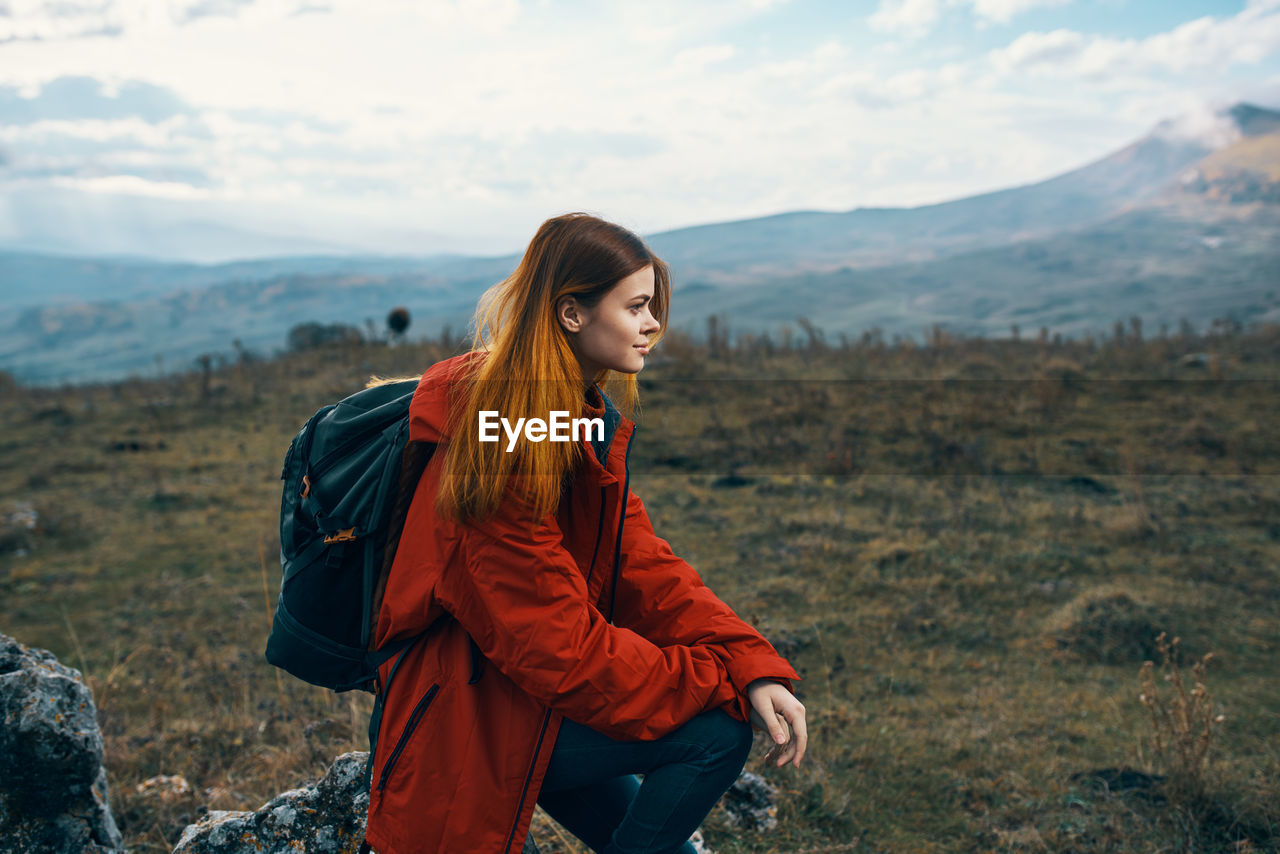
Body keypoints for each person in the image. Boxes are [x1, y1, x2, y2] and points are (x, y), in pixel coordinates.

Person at [363, 212, 807, 854]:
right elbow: (559, 647)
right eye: (635, 307)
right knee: (716, 732)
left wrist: (748, 661)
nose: (654, 323)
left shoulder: (567, 417)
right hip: (468, 717)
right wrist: (720, 681)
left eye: (653, 306)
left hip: (518, 697)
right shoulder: (501, 440)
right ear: (572, 314)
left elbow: (645, 567)